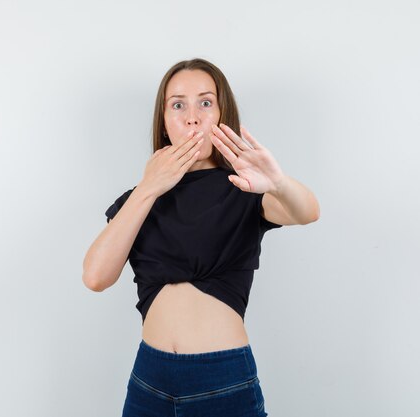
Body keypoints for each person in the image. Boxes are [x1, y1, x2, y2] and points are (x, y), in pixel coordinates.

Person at [82, 58, 320, 417]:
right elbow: (96, 277)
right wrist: (148, 189)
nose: (192, 117)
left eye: (205, 103)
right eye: (178, 104)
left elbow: (307, 212)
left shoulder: (244, 187)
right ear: (163, 122)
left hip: (223, 378)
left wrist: (278, 182)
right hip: (149, 379)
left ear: (222, 113)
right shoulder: (139, 200)